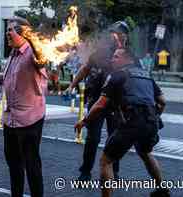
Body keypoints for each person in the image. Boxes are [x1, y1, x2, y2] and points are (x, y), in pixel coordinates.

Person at [75, 48, 168, 197]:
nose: (112, 59)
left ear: (128, 59)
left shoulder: (118, 75)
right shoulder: (146, 75)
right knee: (146, 153)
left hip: (131, 122)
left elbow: (100, 104)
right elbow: (162, 101)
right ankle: (163, 190)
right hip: (150, 122)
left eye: (116, 57)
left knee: (106, 161)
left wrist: (84, 121)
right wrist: (155, 117)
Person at [0, 17, 48, 197]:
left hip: (30, 119)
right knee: (14, 163)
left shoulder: (32, 53)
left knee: (32, 165)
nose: (7, 33)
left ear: (24, 32)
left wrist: (32, 38)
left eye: (11, 30)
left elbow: (42, 60)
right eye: (7, 29)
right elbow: (8, 78)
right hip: (11, 120)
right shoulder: (13, 54)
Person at [67, 21, 131, 181]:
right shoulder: (100, 52)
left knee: (115, 137)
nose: (118, 35)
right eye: (116, 32)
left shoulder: (128, 55)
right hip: (97, 99)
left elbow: (134, 75)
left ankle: (114, 172)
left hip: (116, 103)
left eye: (122, 33)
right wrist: (72, 85)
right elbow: (85, 68)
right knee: (92, 138)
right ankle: (85, 172)